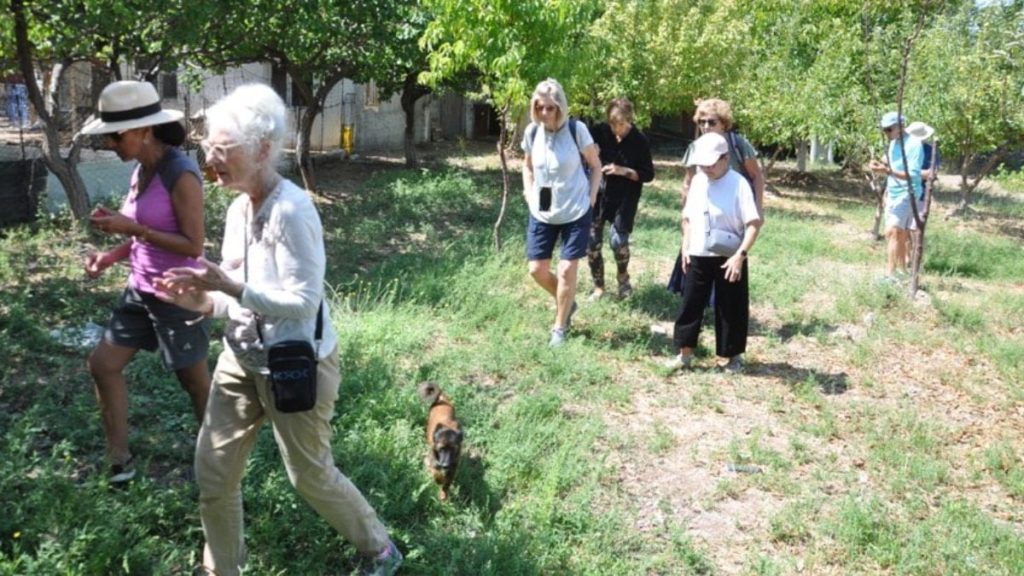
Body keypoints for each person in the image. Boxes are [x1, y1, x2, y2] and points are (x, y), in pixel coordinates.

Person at [154, 84, 402, 576]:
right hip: (240, 360)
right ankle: (222, 569)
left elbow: (304, 302)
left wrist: (232, 286)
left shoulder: (291, 209)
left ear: (263, 149)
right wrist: (200, 299)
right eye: (208, 148)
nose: (211, 159)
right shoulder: (236, 207)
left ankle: (380, 549)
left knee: (309, 475)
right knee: (213, 473)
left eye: (223, 149)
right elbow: (227, 293)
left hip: (295, 363)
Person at [80, 80, 210, 484]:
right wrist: (109, 256)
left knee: (194, 383)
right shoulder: (143, 169)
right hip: (141, 289)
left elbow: (193, 246)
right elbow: (140, 233)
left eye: (114, 136)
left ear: (142, 131)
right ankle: (119, 461)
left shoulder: (181, 173)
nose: (110, 145)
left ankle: (220, 462)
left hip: (179, 293)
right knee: (102, 365)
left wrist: (132, 227)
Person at [667, 132, 762, 373]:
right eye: (703, 164)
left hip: (730, 254)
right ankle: (684, 354)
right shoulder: (698, 181)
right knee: (690, 304)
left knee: (731, 307)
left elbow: (753, 223)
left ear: (725, 159)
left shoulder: (739, 183)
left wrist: (740, 256)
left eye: (711, 164)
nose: (706, 169)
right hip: (698, 251)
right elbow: (687, 217)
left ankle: (732, 357)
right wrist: (685, 246)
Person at [521, 78, 602, 346]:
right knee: (536, 270)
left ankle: (559, 327)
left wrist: (590, 200)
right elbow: (528, 166)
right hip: (543, 208)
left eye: (551, 108)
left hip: (576, 209)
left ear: (561, 107)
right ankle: (567, 302)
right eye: (540, 108)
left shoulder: (577, 130)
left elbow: (595, 166)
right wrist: (528, 193)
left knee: (567, 269)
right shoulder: (533, 132)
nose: (545, 113)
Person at [670, 98, 765, 295]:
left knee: (728, 261)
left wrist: (757, 208)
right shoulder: (695, 147)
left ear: (724, 123)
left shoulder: (737, 144)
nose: (706, 126)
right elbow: (688, 181)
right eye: (702, 122)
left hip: (732, 214)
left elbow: (756, 176)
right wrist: (686, 217)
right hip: (704, 214)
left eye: (712, 122)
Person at [587, 98, 655, 300]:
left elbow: (648, 174)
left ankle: (623, 278)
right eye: (613, 123)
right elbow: (585, 154)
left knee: (618, 242)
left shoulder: (639, 140)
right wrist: (591, 153)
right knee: (591, 243)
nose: (617, 129)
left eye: (621, 124)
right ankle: (598, 287)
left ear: (629, 120)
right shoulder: (599, 132)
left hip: (625, 198)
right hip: (598, 194)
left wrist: (623, 170)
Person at [869, 111, 923, 279]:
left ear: (900, 127)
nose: (886, 133)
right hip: (893, 192)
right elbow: (888, 163)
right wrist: (878, 164)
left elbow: (912, 174)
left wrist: (887, 171)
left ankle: (889, 275)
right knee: (898, 234)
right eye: (884, 130)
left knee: (892, 231)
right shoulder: (893, 143)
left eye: (888, 129)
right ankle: (902, 272)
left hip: (908, 192)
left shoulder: (915, 144)